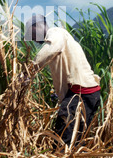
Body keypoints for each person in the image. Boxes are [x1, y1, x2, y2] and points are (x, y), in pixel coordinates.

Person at [24, 14, 101, 148]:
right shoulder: (61, 38)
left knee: (64, 131)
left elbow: (49, 51)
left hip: (81, 91)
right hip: (88, 92)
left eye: (32, 34)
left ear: (37, 26)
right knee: (76, 136)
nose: (35, 40)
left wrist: (27, 73)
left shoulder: (56, 33)